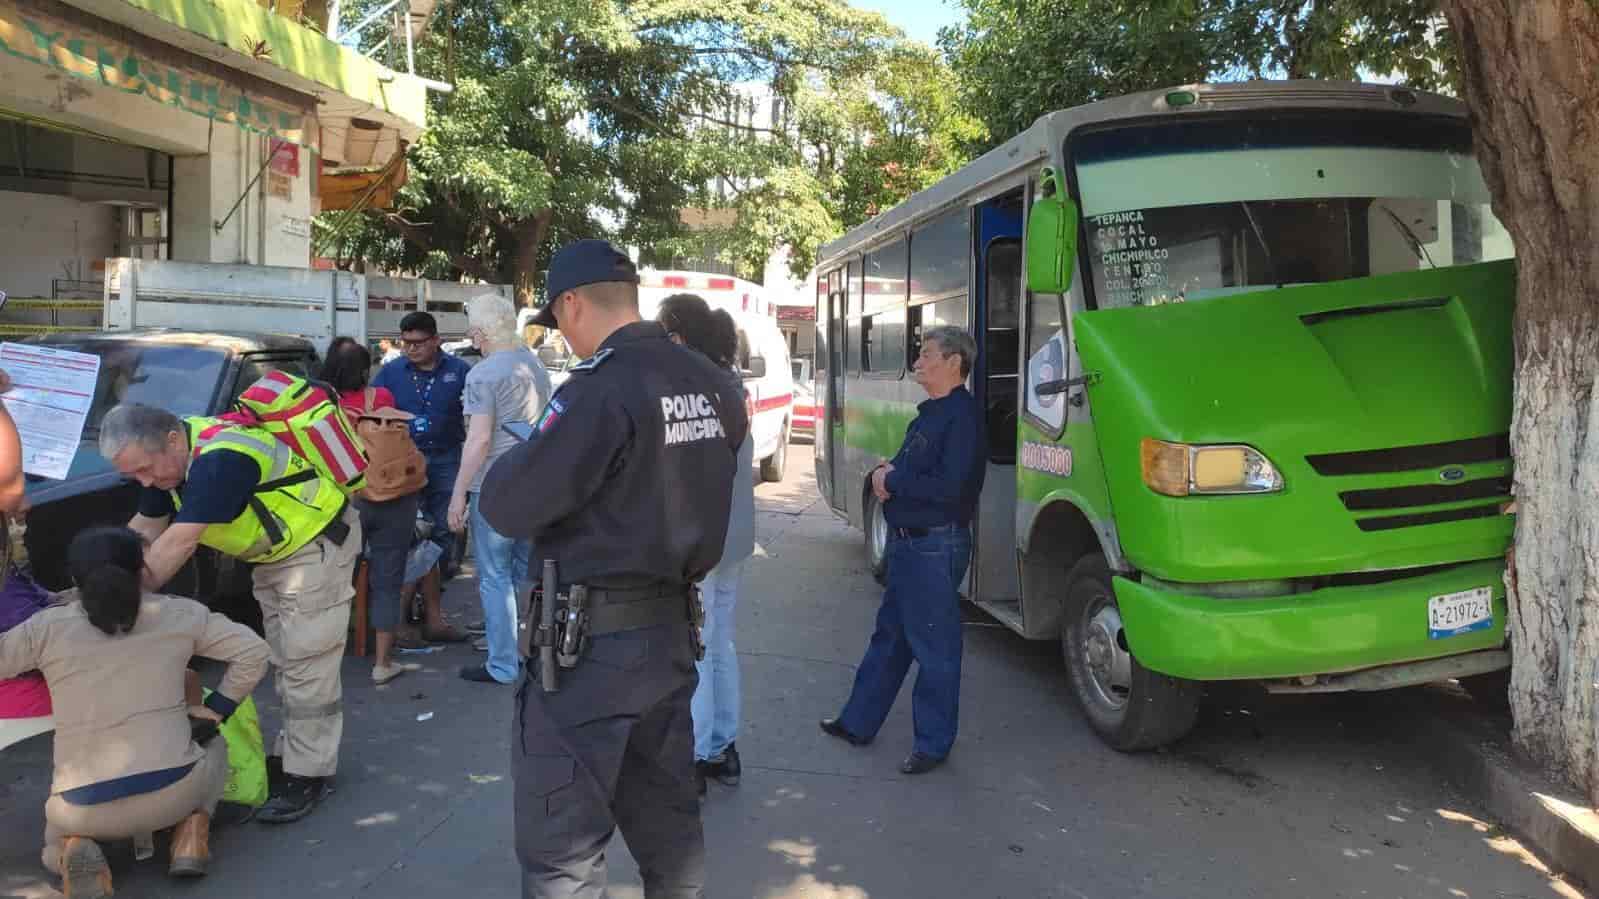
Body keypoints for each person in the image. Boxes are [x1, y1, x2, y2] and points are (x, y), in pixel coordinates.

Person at [480, 239, 747, 898]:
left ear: (571, 304)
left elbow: (512, 504)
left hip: (588, 655)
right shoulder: (712, 382)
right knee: (668, 830)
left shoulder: (600, 389)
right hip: (670, 639)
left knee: (561, 855)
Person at [100, 402, 362, 823]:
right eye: (134, 476)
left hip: (315, 548)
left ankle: (308, 773)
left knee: (307, 661)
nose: (145, 481)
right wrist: (101, 571)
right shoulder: (168, 458)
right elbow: (145, 528)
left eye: (146, 470)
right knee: (288, 658)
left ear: (171, 439)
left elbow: (178, 543)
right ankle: (296, 751)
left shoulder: (220, 460)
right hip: (277, 555)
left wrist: (117, 598)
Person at [0, 527, 270, 895]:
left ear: (75, 579)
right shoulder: (180, 613)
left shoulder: (45, 629)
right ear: (143, 570)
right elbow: (254, 652)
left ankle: (75, 848)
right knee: (213, 741)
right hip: (175, 794)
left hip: (80, 808)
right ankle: (191, 830)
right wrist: (216, 709)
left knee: (53, 843)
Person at [820, 325, 984, 775]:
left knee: (935, 649)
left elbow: (952, 487)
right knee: (890, 639)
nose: (918, 361)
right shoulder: (929, 413)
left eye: (927, 354)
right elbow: (903, 464)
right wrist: (883, 473)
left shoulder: (963, 418)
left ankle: (932, 745)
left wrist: (891, 481)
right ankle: (858, 722)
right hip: (910, 548)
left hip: (934, 546)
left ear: (954, 362)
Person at [657, 294, 754, 796]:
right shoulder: (730, 386)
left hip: (701, 540)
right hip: (733, 537)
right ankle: (721, 747)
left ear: (678, 336)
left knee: (694, 645)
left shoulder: (690, 390)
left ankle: (692, 757)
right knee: (718, 642)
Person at [320, 340, 445, 684]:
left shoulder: (320, 404)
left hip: (343, 501)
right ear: (364, 369)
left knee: (331, 580)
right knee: (387, 581)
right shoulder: (382, 400)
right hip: (392, 498)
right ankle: (382, 663)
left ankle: (325, 658)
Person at [447, 294, 551, 685]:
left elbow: (478, 441)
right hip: (531, 486)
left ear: (479, 331)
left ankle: (502, 664)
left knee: (494, 577)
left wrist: (458, 494)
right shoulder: (533, 365)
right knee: (525, 572)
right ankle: (528, 653)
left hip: (492, 488)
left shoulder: (483, 375)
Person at [372, 311, 471, 581]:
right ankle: (415, 588)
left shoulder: (459, 370)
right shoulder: (391, 372)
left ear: (436, 340)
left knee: (445, 523)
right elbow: (372, 412)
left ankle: (438, 584)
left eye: (418, 343)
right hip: (405, 459)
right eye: (406, 343)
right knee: (411, 525)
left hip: (446, 457)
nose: (411, 349)